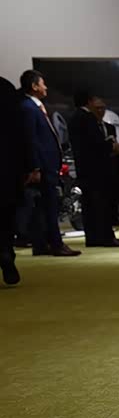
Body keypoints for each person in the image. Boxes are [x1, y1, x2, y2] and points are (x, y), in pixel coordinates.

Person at [19, 70, 81, 257]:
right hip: (43, 166)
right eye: (42, 83)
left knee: (43, 207)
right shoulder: (28, 108)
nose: (45, 87)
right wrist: (35, 167)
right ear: (34, 86)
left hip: (47, 165)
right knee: (48, 206)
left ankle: (42, 244)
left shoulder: (34, 107)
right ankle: (55, 244)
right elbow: (31, 139)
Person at [68, 91, 119, 247]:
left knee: (89, 205)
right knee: (101, 204)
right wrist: (111, 146)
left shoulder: (74, 118)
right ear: (89, 101)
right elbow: (96, 143)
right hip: (97, 169)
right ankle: (106, 237)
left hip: (84, 168)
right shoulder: (87, 118)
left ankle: (93, 237)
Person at [0, 77, 25, 284]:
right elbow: (21, 132)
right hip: (6, 166)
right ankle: (6, 251)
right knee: (6, 216)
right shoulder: (6, 89)